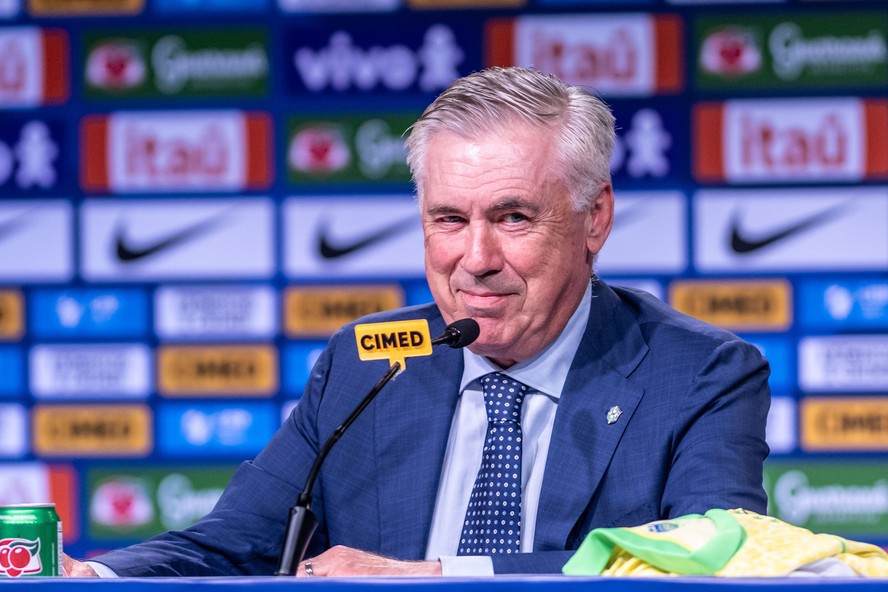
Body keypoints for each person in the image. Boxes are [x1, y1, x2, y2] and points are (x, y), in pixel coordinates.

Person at [64, 66, 770, 578]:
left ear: (595, 218)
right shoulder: (368, 361)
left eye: (513, 217)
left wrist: (437, 577)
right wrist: (91, 577)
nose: (476, 259)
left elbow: (708, 559)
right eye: (449, 220)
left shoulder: (699, 373)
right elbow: (237, 543)